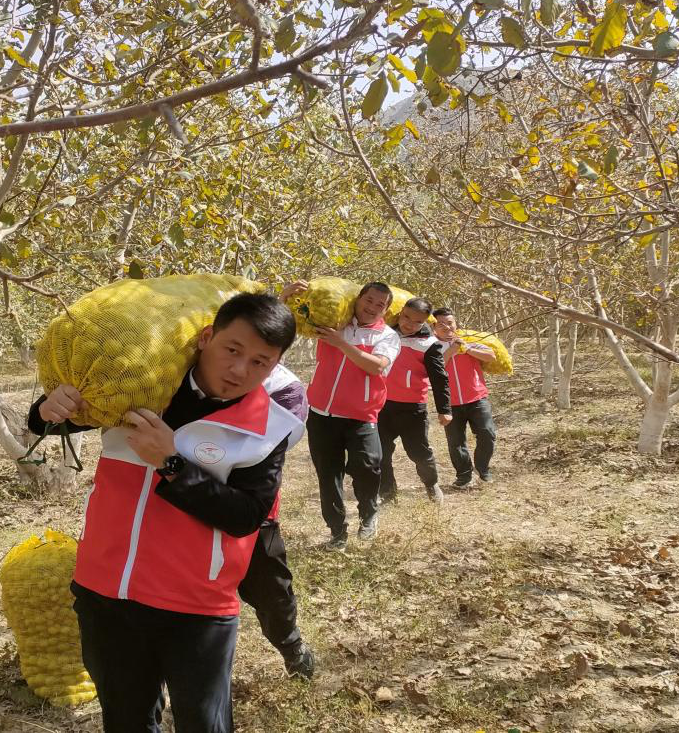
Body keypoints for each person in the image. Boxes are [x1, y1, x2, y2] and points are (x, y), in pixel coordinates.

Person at [27, 292, 304, 733]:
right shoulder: (139, 386)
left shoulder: (269, 426)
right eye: (232, 350)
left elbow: (246, 516)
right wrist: (49, 407)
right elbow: (50, 421)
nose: (239, 370)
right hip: (106, 592)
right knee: (125, 722)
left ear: (276, 366)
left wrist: (173, 464)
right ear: (206, 337)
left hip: (195, 607)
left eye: (260, 362)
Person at [281, 280, 400, 549]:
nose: (372, 307)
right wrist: (285, 297)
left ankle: (368, 515)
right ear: (358, 299)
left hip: (362, 416)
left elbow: (376, 367)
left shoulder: (386, 336)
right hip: (322, 414)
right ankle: (337, 531)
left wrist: (340, 343)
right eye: (368, 300)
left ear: (386, 310)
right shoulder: (334, 323)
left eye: (380, 305)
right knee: (328, 474)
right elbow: (282, 326)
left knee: (368, 466)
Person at [238, 363, 315, 679]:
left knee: (270, 590)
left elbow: (262, 451)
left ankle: (291, 646)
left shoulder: (285, 390)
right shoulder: (177, 371)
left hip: (253, 513)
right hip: (179, 506)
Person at [378, 297, 452, 505]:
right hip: (382, 404)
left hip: (412, 408)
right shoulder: (385, 334)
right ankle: (388, 492)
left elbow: (439, 378)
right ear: (400, 312)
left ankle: (431, 484)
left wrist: (444, 409)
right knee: (381, 452)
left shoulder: (429, 345)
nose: (409, 324)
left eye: (417, 321)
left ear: (426, 322)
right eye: (406, 317)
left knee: (418, 452)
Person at [431, 307, 497, 490]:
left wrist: (466, 349)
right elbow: (435, 367)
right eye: (441, 324)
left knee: (487, 433)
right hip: (449, 402)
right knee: (456, 442)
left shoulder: (469, 340)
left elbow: (491, 356)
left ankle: (483, 469)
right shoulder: (432, 346)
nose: (446, 327)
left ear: (456, 324)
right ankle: (464, 475)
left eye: (449, 323)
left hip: (477, 397)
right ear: (434, 327)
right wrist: (452, 350)